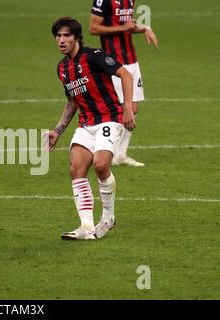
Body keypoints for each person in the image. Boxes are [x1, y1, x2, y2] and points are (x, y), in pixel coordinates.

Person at [46, 17, 135, 240]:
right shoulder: (62, 68)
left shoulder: (94, 57)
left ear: (76, 37)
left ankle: (108, 217)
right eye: (58, 36)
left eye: (66, 35)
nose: (61, 40)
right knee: (76, 168)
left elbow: (126, 74)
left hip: (109, 118)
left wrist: (127, 108)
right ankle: (86, 226)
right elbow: (73, 101)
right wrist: (58, 130)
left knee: (101, 165)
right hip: (86, 123)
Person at [89, 0, 158, 167]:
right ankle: (100, 150)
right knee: (118, 110)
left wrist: (144, 29)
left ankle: (120, 155)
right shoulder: (103, 1)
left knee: (133, 110)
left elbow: (128, 25)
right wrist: (123, 28)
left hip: (132, 60)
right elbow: (94, 28)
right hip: (114, 62)